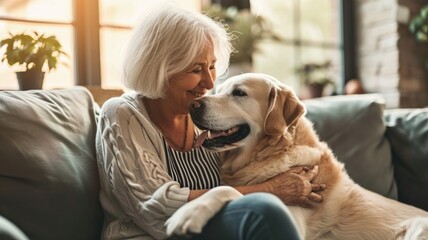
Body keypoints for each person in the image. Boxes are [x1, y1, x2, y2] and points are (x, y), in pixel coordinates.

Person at [96, 5, 325, 240]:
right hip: (149, 236)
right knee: (264, 210)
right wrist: (271, 190)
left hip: (208, 231)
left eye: (212, 66)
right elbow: (155, 209)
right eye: (197, 69)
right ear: (161, 68)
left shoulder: (208, 118)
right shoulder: (122, 115)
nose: (208, 82)